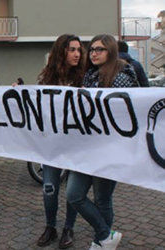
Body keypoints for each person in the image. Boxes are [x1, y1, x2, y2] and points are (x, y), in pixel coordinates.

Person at [66, 34, 138, 250]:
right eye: (93, 49)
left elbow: (128, 113)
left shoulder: (123, 76)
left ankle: (100, 243)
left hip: (110, 149)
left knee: (102, 200)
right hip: (86, 147)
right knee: (73, 194)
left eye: (100, 49)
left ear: (111, 51)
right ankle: (106, 236)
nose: (94, 53)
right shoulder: (89, 75)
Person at [36, 34, 84, 249]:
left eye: (79, 50)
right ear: (61, 52)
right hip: (51, 145)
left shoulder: (85, 78)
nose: (77, 54)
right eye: (72, 49)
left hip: (76, 144)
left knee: (73, 191)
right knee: (49, 188)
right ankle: (50, 227)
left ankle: (68, 227)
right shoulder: (46, 79)